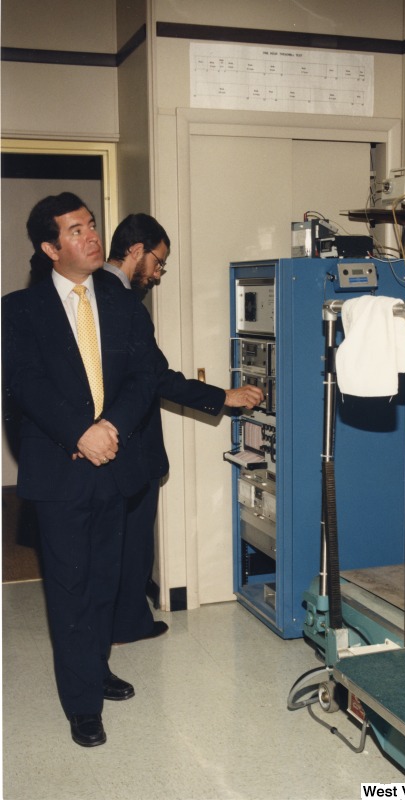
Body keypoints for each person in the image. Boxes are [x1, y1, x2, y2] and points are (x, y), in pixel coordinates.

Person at [2, 193, 160, 747]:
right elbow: (25, 385)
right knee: (69, 590)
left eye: (91, 225)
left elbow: (146, 376)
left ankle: (95, 669)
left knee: (105, 582)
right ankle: (80, 704)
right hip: (60, 470)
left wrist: (109, 427)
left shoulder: (122, 304)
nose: (92, 237)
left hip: (113, 465)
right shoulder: (18, 311)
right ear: (50, 247)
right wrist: (79, 433)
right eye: (76, 231)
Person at [103, 213, 264, 644]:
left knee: (109, 543)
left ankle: (118, 620)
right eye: (158, 262)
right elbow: (157, 377)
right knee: (133, 542)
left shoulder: (88, 295)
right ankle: (130, 624)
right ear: (136, 250)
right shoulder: (123, 305)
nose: (157, 275)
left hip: (97, 445)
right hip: (130, 448)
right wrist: (224, 396)